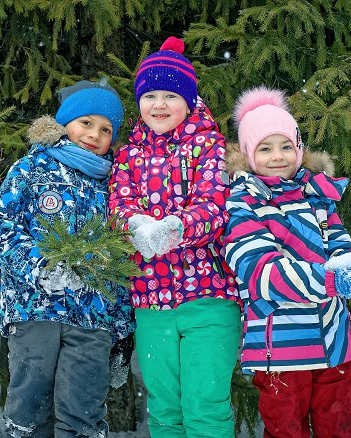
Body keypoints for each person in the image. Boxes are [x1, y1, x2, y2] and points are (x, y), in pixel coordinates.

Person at [223, 86, 351, 438]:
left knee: (341, 427)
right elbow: (263, 275)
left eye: (287, 145)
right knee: (287, 431)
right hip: (281, 353)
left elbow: (339, 246)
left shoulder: (318, 196)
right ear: (249, 155)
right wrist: (334, 281)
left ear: (299, 148)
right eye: (265, 148)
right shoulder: (243, 205)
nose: (278, 156)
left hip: (333, 344)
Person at [0, 79, 135, 438]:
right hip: (34, 311)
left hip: (94, 320)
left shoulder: (115, 184)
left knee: (82, 414)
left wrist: (123, 328)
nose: (94, 134)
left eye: (105, 129)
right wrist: (38, 267)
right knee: (30, 409)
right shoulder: (31, 170)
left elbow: (123, 258)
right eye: (86, 122)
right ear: (65, 122)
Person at [108, 36, 242, 437]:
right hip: (151, 301)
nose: (160, 105)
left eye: (171, 94)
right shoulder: (127, 155)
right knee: (165, 411)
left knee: (205, 407)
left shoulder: (211, 147)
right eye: (150, 95)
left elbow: (215, 207)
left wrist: (173, 229)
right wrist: (134, 226)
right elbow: (118, 204)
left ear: (189, 100)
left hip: (209, 298)